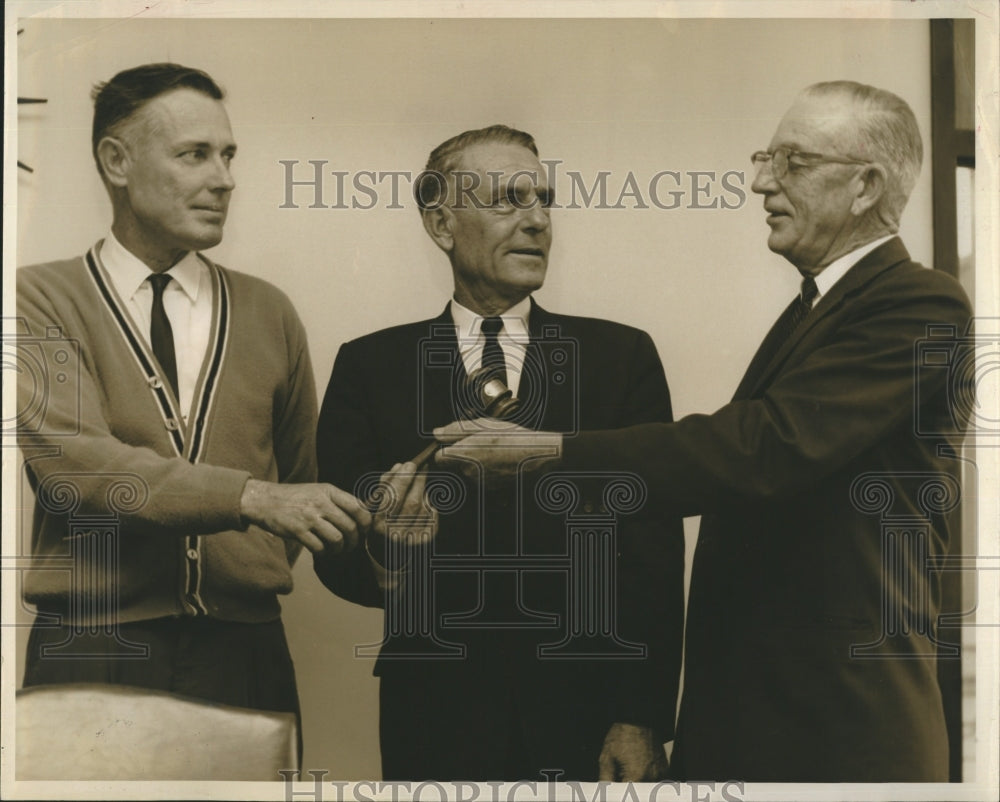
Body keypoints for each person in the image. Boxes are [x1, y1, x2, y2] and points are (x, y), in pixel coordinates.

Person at [435, 83, 973, 781]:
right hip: (768, 723)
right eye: (763, 158)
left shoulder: (919, 300)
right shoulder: (820, 308)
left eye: (793, 163)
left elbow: (763, 447)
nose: (760, 182)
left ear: (866, 185)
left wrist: (547, 452)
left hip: (839, 734)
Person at [313, 125, 684, 781]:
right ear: (441, 223)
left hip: (590, 712)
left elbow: (653, 560)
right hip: (434, 714)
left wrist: (640, 715)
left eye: (543, 200)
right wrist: (393, 552)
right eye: (508, 200)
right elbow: (338, 553)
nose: (537, 221)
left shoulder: (620, 358)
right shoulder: (369, 366)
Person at [16, 63, 372, 721]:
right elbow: (83, 469)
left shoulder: (269, 311)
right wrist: (250, 499)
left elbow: (303, 480)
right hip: (91, 645)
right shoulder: (36, 298)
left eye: (229, 155)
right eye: (195, 155)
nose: (224, 178)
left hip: (245, 651)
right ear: (116, 161)